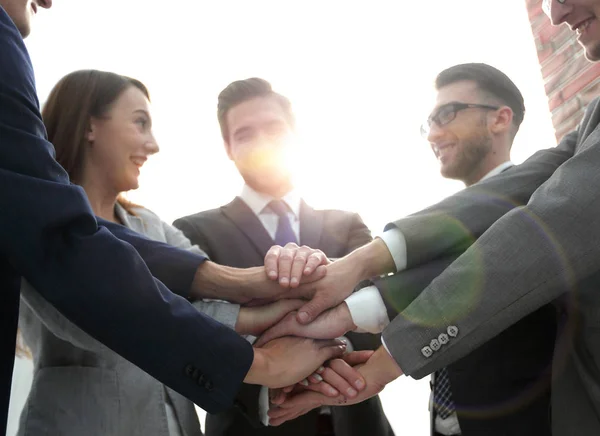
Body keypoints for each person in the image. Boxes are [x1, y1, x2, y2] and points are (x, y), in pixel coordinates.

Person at [0, 2, 352, 433]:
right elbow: (98, 308)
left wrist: (274, 310)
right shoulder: (36, 225)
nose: (154, 145)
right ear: (90, 126)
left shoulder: (153, 228)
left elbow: (204, 294)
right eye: (140, 123)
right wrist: (258, 356)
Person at [260, 1, 600, 434]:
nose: (554, 13)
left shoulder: (538, 213)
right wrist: (358, 268)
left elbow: (539, 232)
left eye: (448, 114)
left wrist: (387, 358)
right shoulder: (592, 119)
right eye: (429, 121)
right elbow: (510, 194)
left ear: (501, 118)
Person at [174, 78, 393, 436]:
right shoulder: (193, 232)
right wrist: (277, 363)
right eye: (244, 134)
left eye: (274, 128)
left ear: (295, 134)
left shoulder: (347, 223)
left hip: (357, 423)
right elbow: (198, 332)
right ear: (228, 147)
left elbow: (379, 308)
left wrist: (328, 357)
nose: (262, 142)